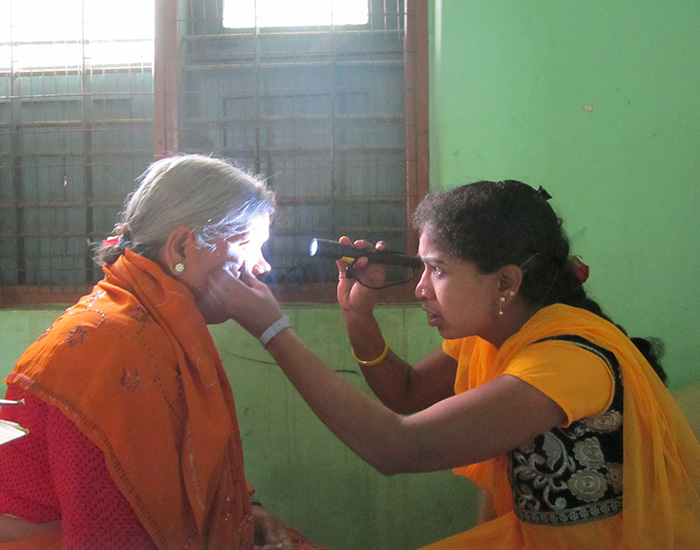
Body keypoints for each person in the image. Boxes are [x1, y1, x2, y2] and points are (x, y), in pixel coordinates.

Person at [203, 180, 700, 549]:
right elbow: (407, 393)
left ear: (505, 283)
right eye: (421, 268)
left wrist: (274, 331)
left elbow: (398, 446)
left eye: (437, 270)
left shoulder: (568, 361)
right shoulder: (496, 335)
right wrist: (358, 316)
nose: (421, 288)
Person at [0, 154, 325, 550]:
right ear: (182, 248)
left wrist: (244, 513)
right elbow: (107, 536)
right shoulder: (110, 347)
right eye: (247, 246)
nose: (262, 267)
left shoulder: (161, 323)